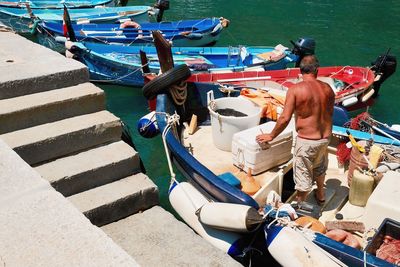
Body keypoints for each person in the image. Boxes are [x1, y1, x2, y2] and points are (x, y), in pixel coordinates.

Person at [255, 55, 335, 204]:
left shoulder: (295, 89)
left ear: (301, 70)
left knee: (303, 176)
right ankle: (321, 196)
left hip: (307, 141)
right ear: (317, 70)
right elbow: (329, 113)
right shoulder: (328, 88)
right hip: (325, 139)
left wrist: (271, 136)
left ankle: (300, 206)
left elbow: (285, 118)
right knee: (320, 167)